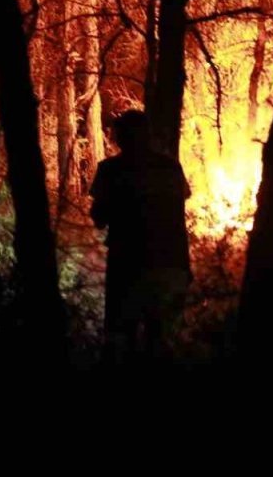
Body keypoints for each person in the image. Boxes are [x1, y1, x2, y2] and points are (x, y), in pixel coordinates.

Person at [89, 110, 191, 366]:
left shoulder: (110, 170)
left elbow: (99, 219)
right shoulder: (170, 167)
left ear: (119, 138)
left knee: (125, 339)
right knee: (161, 340)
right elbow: (180, 208)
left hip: (127, 265)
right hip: (169, 261)